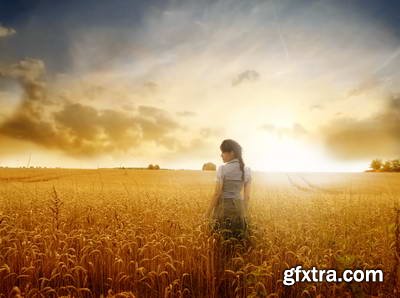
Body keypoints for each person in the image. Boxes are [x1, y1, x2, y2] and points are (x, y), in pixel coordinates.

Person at [205, 139, 252, 241]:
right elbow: (247, 197)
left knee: (220, 239)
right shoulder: (247, 170)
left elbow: (217, 193)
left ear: (232, 153)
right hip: (239, 208)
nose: (221, 155)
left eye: (223, 152)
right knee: (237, 240)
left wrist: (207, 214)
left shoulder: (222, 169)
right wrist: (243, 213)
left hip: (223, 208)